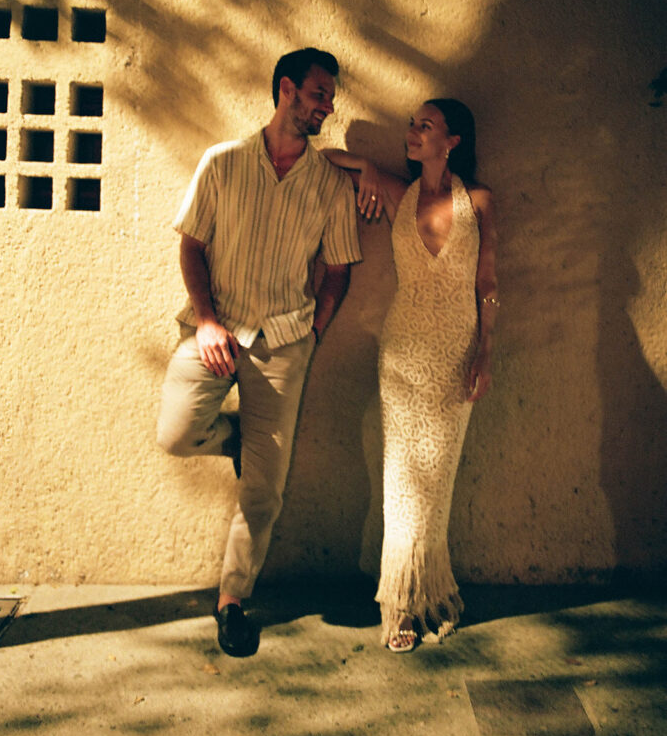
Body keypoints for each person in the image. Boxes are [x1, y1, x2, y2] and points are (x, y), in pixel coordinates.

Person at [157, 47, 362, 658]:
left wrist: (315, 332)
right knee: (174, 434)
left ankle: (232, 601)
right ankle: (235, 438)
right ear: (286, 89)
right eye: (319, 92)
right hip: (214, 332)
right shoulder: (221, 163)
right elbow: (192, 246)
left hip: (284, 344)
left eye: (331, 96)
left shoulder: (330, 183)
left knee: (264, 491)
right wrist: (209, 323)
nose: (327, 105)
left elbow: (338, 269)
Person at [324, 99, 497, 652]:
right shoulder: (399, 194)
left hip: (456, 349)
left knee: (435, 487)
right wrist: (370, 170)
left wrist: (486, 348)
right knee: (401, 483)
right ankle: (398, 606)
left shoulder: (480, 202)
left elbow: (488, 281)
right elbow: (329, 156)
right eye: (412, 124)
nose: (412, 132)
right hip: (402, 352)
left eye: (426, 126)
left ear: (453, 142)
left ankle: (432, 592)